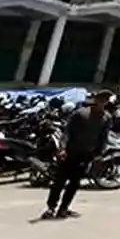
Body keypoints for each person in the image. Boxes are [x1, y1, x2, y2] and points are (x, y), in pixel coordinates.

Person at [43, 90, 113, 220]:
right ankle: (51, 207)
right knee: (59, 182)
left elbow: (103, 137)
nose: (102, 102)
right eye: (100, 99)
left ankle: (64, 208)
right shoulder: (81, 114)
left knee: (74, 184)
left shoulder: (107, 117)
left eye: (105, 100)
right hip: (70, 153)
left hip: (86, 155)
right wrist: (62, 148)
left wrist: (99, 154)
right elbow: (67, 132)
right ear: (95, 99)